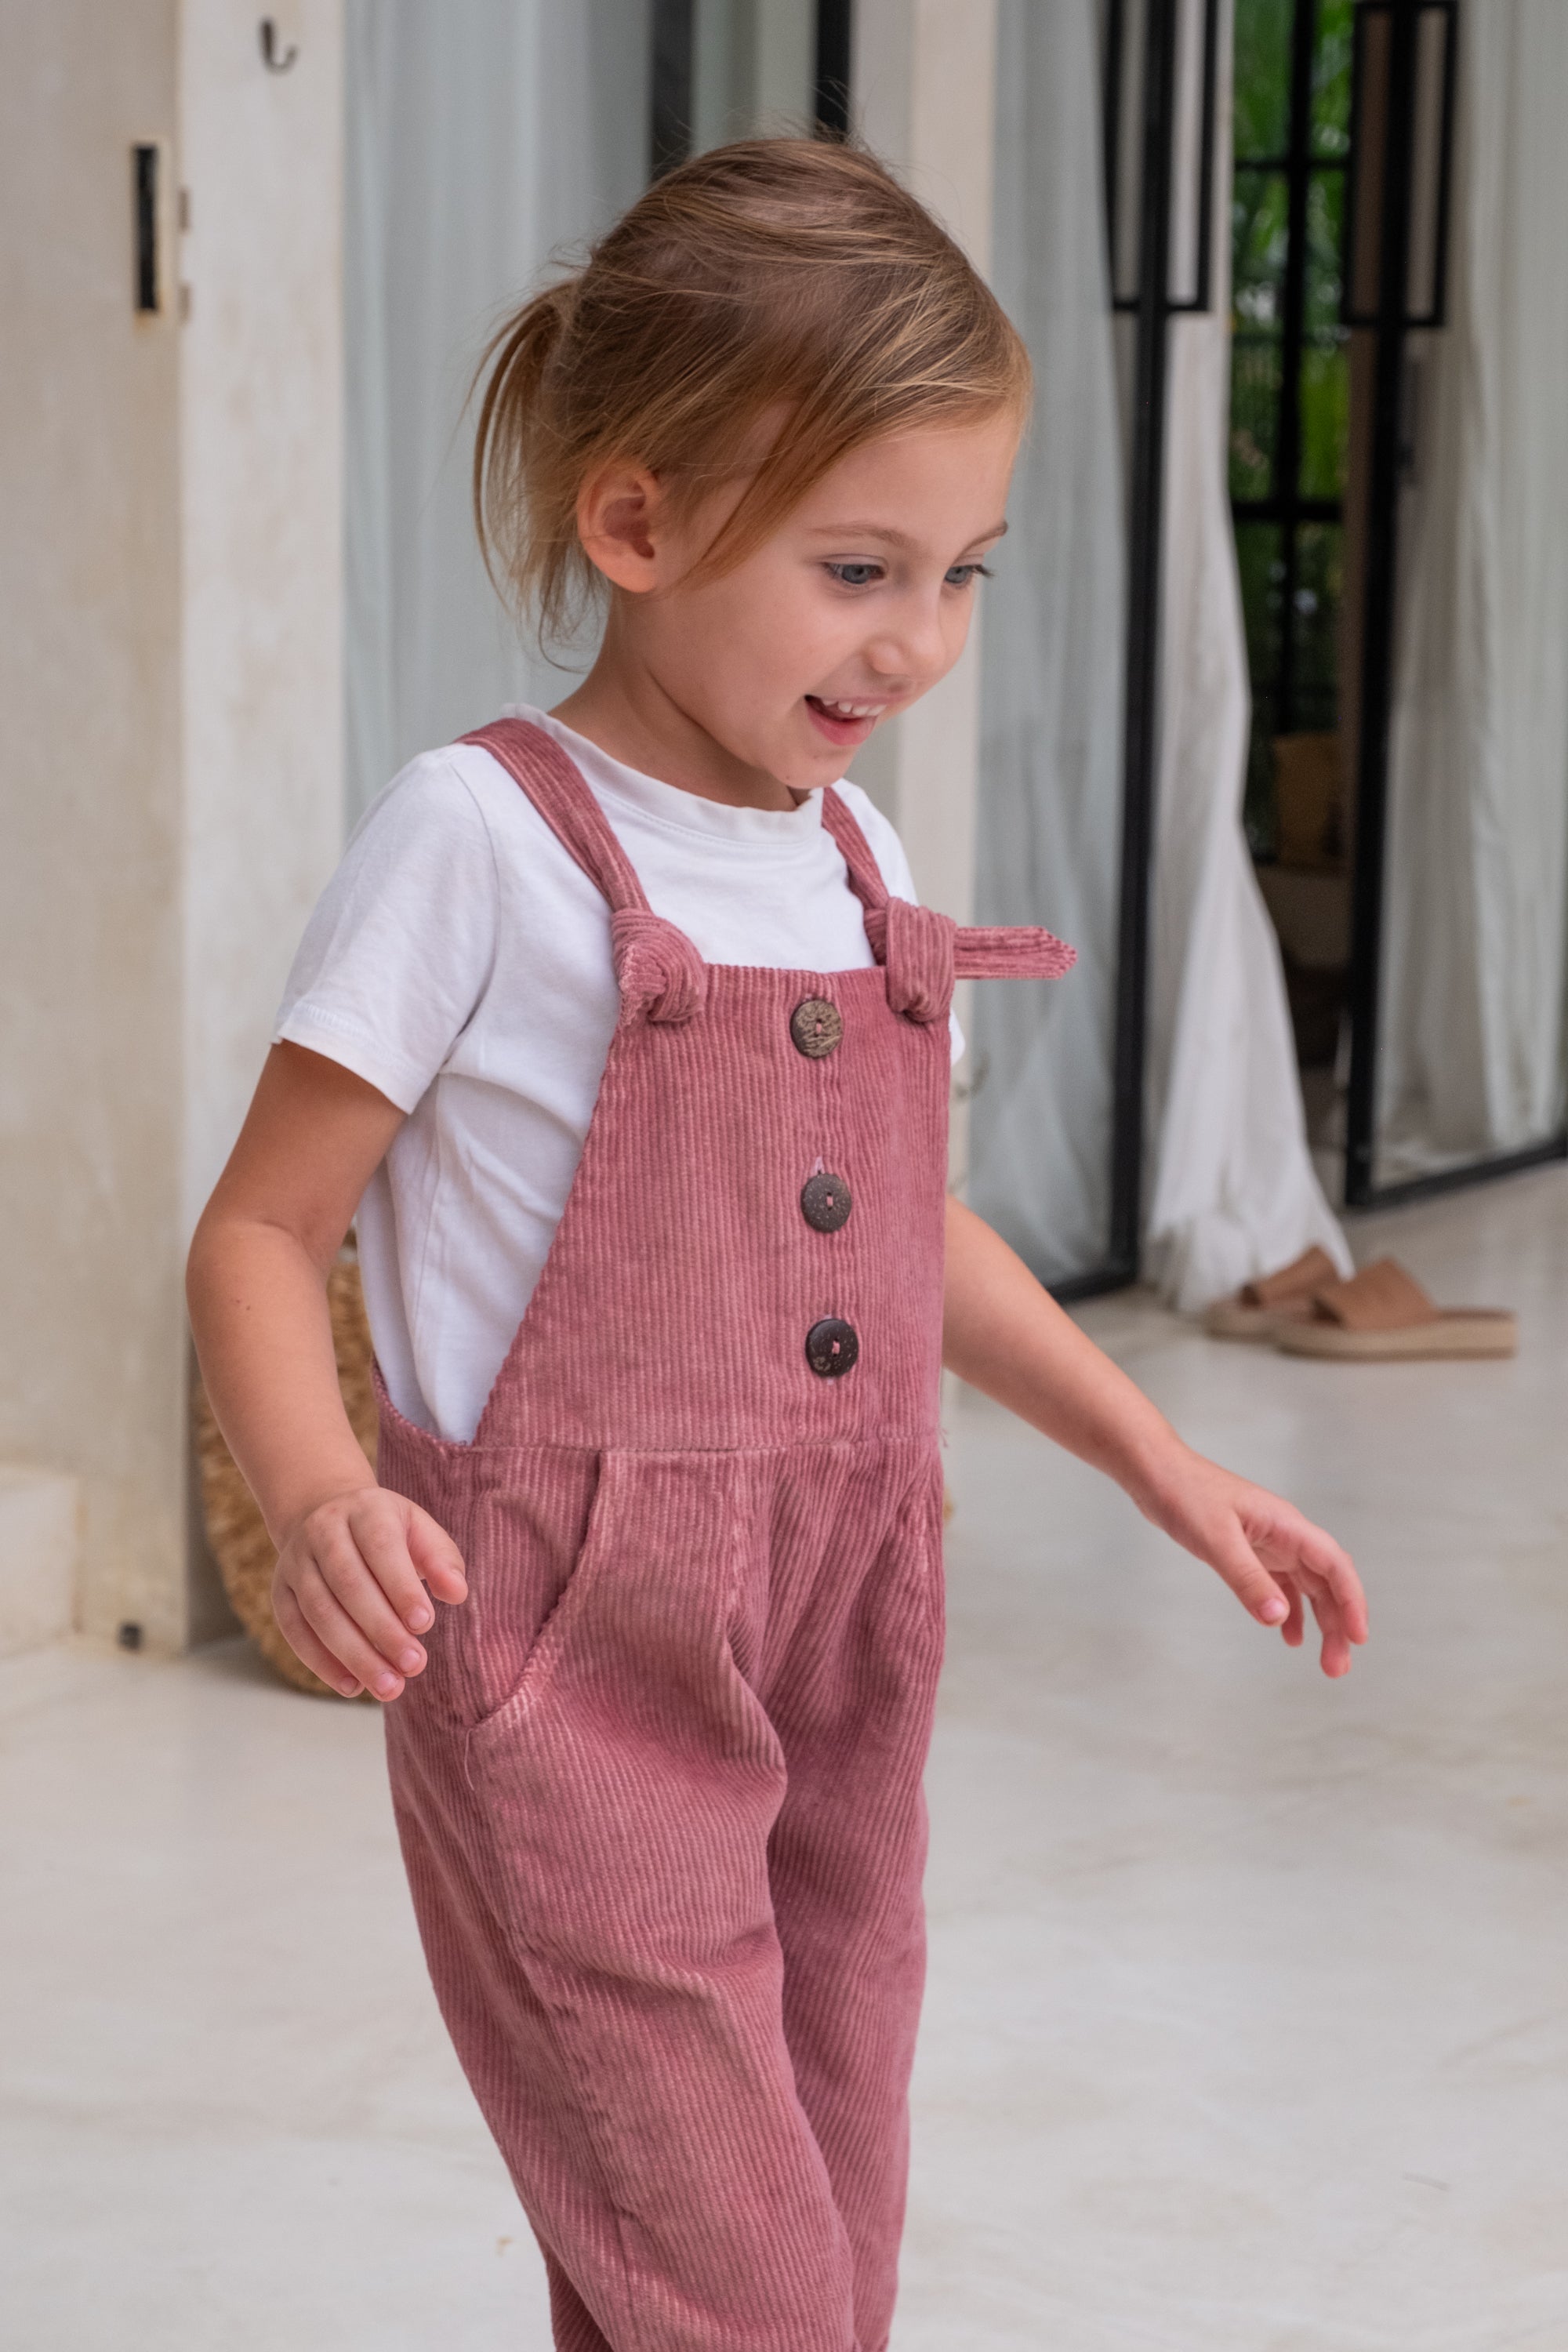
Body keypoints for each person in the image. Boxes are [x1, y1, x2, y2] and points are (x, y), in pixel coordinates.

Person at [187, 138, 1367, 2352]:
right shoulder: (483, 838)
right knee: (738, 2287)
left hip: (846, 1635)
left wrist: (1162, 1466)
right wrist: (320, 1488)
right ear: (634, 525)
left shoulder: (845, 855)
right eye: (856, 570)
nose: (915, 641)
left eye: (963, 575)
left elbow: (910, 1230)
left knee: (798, 2225)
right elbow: (260, 1229)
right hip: (571, 1663)